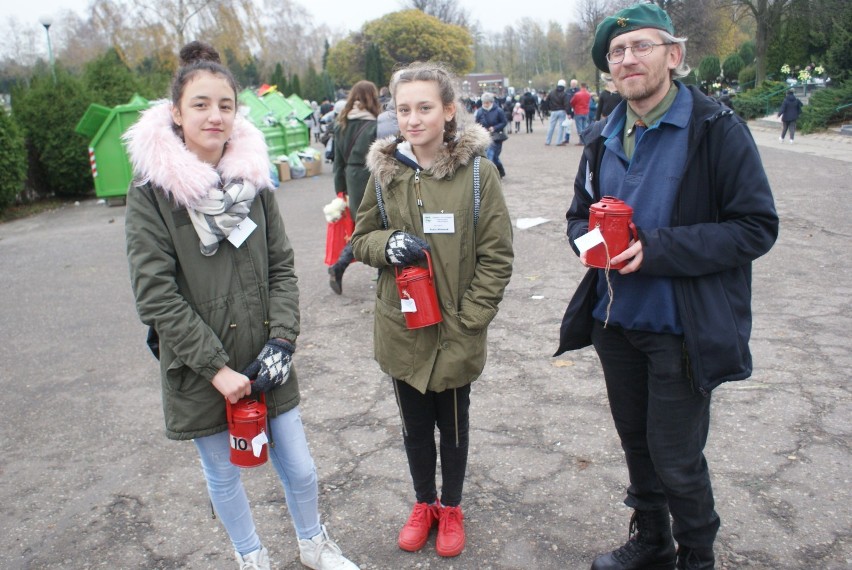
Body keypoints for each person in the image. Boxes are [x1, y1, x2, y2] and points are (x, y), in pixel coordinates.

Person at [554, 4, 778, 570]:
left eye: (641, 47)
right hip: (615, 322)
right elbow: (578, 215)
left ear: (673, 56)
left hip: (680, 326)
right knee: (638, 447)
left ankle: (696, 557)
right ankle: (652, 541)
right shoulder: (603, 135)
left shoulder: (715, 129)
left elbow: (756, 227)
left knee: (677, 458)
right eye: (616, 53)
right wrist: (586, 242)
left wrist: (657, 250)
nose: (627, 59)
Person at [123, 41, 360, 570]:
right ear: (177, 114)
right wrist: (215, 369)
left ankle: (313, 544)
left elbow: (282, 266)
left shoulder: (255, 184)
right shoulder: (152, 194)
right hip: (200, 367)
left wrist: (282, 341)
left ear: (237, 112)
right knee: (224, 475)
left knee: (299, 467)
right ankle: (252, 557)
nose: (214, 115)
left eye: (225, 104)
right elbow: (155, 294)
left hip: (264, 356)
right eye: (201, 104)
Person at [349, 61, 514, 559]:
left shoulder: (479, 174)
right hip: (403, 326)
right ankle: (424, 503)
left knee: (454, 426)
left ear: (448, 111)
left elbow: (497, 256)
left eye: (424, 108)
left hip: (457, 329)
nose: (413, 119)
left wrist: (471, 320)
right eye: (403, 109)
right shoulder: (385, 173)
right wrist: (389, 244)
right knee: (414, 427)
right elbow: (360, 239)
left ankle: (452, 507)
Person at [327, 80, 380, 294]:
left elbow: (337, 162)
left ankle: (340, 266)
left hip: (351, 178)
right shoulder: (376, 124)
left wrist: (341, 191)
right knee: (376, 225)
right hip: (371, 176)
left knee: (364, 226)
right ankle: (341, 266)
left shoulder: (342, 124)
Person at [474, 91, 508, 178]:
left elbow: (504, 122)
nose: (485, 104)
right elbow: (477, 123)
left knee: (492, 156)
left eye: (487, 102)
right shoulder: (479, 112)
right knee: (490, 156)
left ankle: (492, 173)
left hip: (496, 137)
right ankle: (496, 172)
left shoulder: (499, 111)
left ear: (491, 102)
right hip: (484, 137)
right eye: (484, 102)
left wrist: (495, 128)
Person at [545, 79, 570, 145]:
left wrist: (548, 109)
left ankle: (548, 141)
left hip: (553, 111)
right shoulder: (564, 94)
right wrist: (568, 112)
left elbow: (547, 101)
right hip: (562, 110)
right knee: (561, 127)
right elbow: (567, 104)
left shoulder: (552, 92)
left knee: (551, 126)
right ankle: (558, 141)